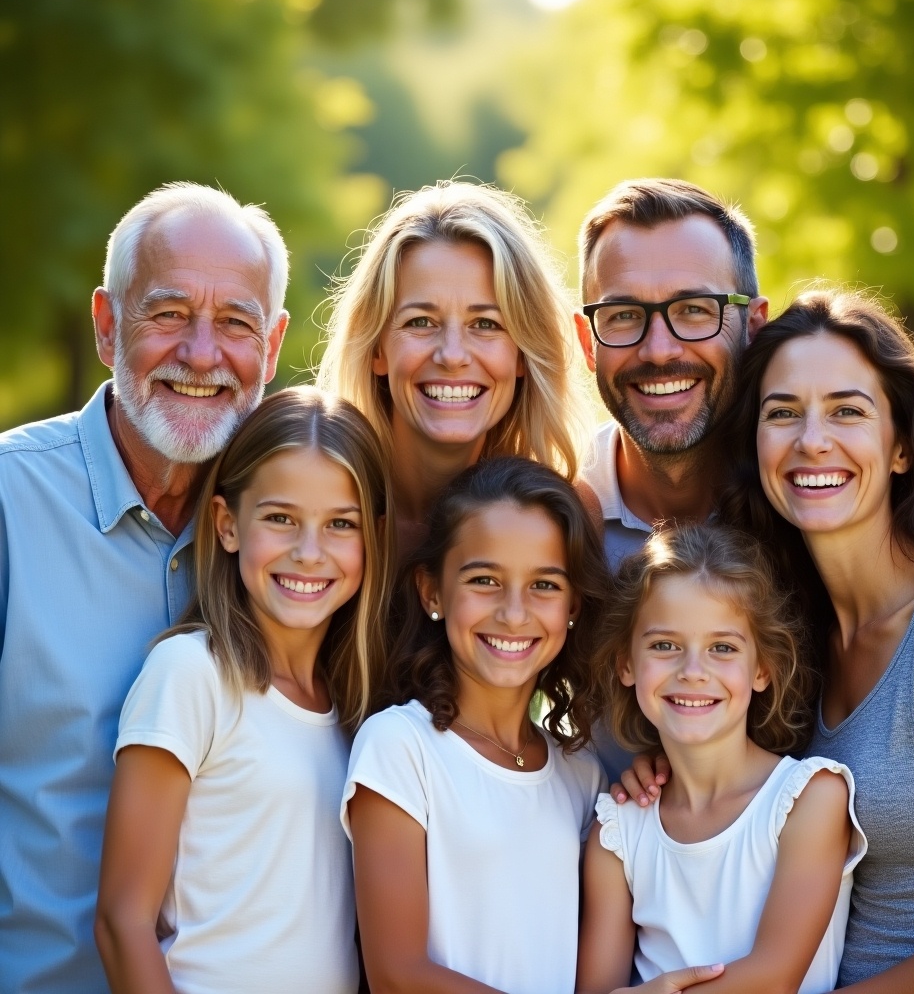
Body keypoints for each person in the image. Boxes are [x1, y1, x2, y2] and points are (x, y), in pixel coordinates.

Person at [0, 182, 289, 992]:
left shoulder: (293, 544)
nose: (202, 354)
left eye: (235, 322)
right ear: (106, 324)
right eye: (167, 314)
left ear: (270, 349)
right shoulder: (8, 505)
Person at [573, 178, 914, 671]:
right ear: (586, 339)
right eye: (622, 316)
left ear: (753, 325)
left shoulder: (813, 494)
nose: (659, 350)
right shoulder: (558, 522)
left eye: (695, 310)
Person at [722, 290, 914, 991]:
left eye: (847, 411)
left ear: (901, 450)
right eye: (782, 413)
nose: (811, 440)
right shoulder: (797, 639)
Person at [344, 457, 683, 994]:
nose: (514, 612)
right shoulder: (399, 748)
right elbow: (397, 974)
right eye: (484, 580)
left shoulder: (581, 775)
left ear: (574, 603)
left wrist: (659, 784)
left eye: (545, 585)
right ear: (432, 591)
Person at [94, 387, 393, 994]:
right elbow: (121, 922)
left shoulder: (359, 711)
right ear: (228, 525)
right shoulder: (190, 675)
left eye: (341, 524)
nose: (309, 553)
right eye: (281, 518)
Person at [578, 523, 866, 994]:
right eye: (664, 646)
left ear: (762, 669)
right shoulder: (617, 831)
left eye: (722, 648)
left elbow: (773, 978)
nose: (693, 672)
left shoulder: (808, 798)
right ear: (625, 664)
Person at [316, 181, 589, 555]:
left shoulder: (562, 523)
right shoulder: (310, 507)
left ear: (523, 354)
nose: (452, 355)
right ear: (376, 348)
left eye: (486, 324)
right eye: (421, 321)